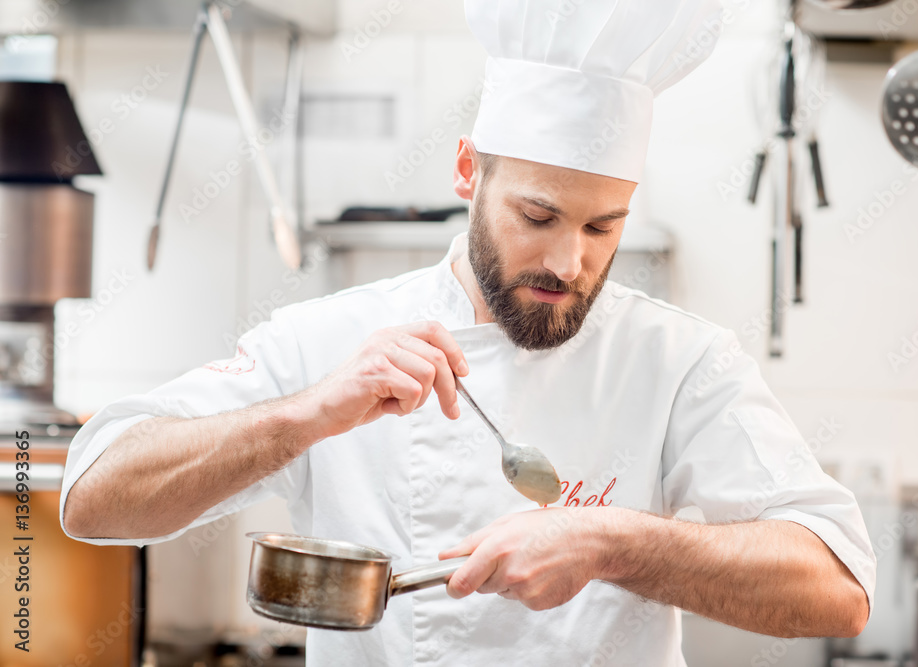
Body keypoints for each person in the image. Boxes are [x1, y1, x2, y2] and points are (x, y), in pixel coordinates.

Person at [61, 0, 876, 664]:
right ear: (467, 171)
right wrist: (305, 414)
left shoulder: (679, 360)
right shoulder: (331, 338)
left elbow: (837, 586)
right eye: (538, 214)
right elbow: (90, 497)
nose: (569, 260)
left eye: (604, 227)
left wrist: (608, 541)